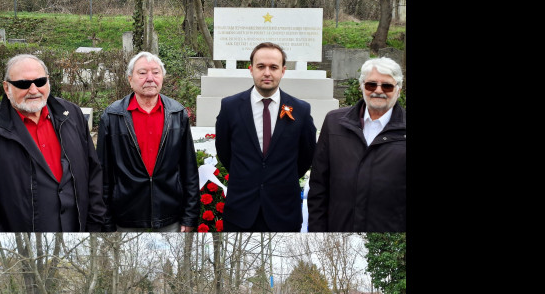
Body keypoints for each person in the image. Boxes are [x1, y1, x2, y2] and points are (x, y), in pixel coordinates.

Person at [0, 53, 105, 232]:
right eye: (23, 84)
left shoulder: (72, 114)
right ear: (7, 88)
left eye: (40, 81)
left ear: (48, 81)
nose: (34, 90)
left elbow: (93, 173)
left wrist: (95, 226)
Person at [215, 42, 316, 232]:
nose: (267, 73)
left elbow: (306, 155)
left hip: (284, 213)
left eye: (274, 67)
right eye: (261, 66)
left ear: (283, 71)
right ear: (251, 69)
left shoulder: (301, 110)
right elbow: (224, 151)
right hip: (240, 213)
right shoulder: (230, 107)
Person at [96, 51, 200, 231]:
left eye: (156, 72)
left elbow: (188, 170)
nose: (150, 78)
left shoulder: (177, 114)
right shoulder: (112, 116)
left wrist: (189, 217)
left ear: (163, 77)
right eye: (142, 73)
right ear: (130, 79)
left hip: (170, 216)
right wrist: (106, 221)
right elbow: (103, 174)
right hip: (126, 217)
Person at [308, 56, 406, 232]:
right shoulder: (334, 122)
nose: (378, 91)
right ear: (361, 86)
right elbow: (318, 186)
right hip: (338, 228)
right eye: (371, 85)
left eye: (387, 86)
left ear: (399, 89)